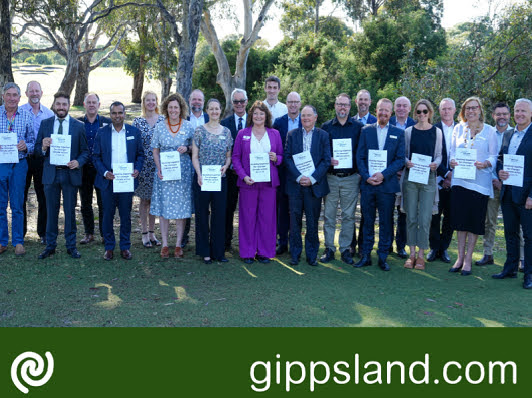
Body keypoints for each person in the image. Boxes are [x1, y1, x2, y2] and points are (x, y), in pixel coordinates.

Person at [448, 97, 498, 276]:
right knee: (461, 223)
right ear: (463, 111)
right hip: (460, 181)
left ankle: (469, 258)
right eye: (468, 108)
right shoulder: (458, 128)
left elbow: (494, 156)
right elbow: (452, 152)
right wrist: (452, 161)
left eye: (474, 108)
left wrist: (485, 163)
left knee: (474, 223)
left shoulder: (490, 131)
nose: (471, 111)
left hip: (480, 184)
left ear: (480, 110)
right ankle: (459, 258)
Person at [36, 92, 89, 259]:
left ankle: (71, 245)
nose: (61, 107)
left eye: (64, 104)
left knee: (69, 212)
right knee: (51, 211)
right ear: (54, 105)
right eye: (58, 104)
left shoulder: (78, 126)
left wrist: (78, 162)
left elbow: (85, 151)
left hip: (69, 174)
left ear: (69, 105)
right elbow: (37, 150)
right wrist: (43, 147)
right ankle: (50, 245)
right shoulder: (45, 124)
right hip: (51, 174)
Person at [355, 98, 405, 271]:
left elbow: (399, 160)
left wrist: (383, 175)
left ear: (391, 113)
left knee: (386, 222)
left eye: (386, 110)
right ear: (376, 110)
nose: (383, 113)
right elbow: (359, 157)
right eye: (380, 110)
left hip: (387, 185)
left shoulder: (398, 133)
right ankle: (366, 255)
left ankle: (383, 256)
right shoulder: (365, 131)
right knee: (367, 221)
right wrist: (366, 176)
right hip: (368, 185)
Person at [232, 101, 283, 264]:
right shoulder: (243, 134)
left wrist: (276, 158)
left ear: (266, 116)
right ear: (251, 116)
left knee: (267, 218)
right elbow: (235, 157)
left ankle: (264, 252)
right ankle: (247, 252)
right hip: (249, 183)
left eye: (262, 113)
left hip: (268, 184)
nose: (258, 116)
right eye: (255, 113)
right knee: (247, 218)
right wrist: (243, 176)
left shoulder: (274, 133)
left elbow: (281, 156)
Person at [93, 101, 144, 261]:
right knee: (107, 215)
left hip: (126, 181)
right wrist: (105, 172)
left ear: (124, 114)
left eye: (120, 113)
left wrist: (137, 169)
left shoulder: (134, 132)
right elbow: (95, 156)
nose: (117, 116)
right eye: (114, 113)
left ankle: (125, 246)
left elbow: (140, 155)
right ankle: (109, 247)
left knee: (125, 215)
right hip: (108, 180)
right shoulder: (102, 133)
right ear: (110, 115)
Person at [319, 93, 363, 265]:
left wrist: (359, 173)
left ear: (350, 107)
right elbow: (322, 151)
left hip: (351, 178)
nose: (342, 107)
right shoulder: (326, 127)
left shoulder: (358, 127)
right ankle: (329, 248)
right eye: (339, 104)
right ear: (335, 106)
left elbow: (361, 152)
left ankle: (345, 249)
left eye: (345, 105)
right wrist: (327, 160)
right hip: (331, 176)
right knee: (329, 215)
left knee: (348, 215)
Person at [284, 105, 330, 266]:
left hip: (314, 186)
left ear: (315, 117)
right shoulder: (292, 134)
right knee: (294, 222)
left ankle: (311, 255)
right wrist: (298, 177)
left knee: (312, 222)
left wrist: (312, 178)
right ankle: (295, 254)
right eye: (303, 116)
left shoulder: (323, 135)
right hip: (296, 186)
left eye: (309, 115)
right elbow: (287, 158)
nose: (306, 118)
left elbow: (326, 161)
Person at [493, 98, 532, 289]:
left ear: (531, 113)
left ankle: (529, 275)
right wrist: (499, 171)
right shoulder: (508, 134)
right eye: (517, 111)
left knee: (530, 236)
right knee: (510, 233)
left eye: (523, 111)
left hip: (527, 196)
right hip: (508, 192)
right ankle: (510, 268)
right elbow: (501, 158)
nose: (520, 114)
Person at [151, 93, 194, 259]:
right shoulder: (160, 126)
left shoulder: (188, 126)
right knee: (164, 209)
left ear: (181, 108)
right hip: (165, 172)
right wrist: (159, 168)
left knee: (181, 209)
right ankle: (164, 244)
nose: (173, 110)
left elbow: (194, 148)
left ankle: (178, 245)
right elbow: (155, 149)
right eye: (170, 107)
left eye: (176, 107)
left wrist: (187, 149)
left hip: (183, 173)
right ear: (166, 109)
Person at [401, 99, 442, 270]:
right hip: (411, 178)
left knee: (425, 218)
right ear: (415, 114)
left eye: (425, 111)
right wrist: (407, 162)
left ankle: (421, 255)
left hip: (429, 179)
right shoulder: (409, 132)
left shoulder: (437, 132)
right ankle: (411, 254)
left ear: (430, 113)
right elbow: (402, 154)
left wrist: (436, 164)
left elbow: (439, 155)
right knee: (411, 216)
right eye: (419, 112)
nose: (422, 115)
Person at [192, 99, 233, 264]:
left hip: (220, 179)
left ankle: (218, 251)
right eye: (211, 109)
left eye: (217, 109)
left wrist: (226, 166)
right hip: (202, 179)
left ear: (220, 111)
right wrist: (199, 174)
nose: (214, 111)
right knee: (202, 215)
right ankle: (205, 251)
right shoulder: (199, 131)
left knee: (219, 215)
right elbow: (194, 156)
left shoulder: (227, 132)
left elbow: (229, 156)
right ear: (207, 110)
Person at [475, 102, 512, 266]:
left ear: (509, 115)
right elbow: (485, 156)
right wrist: (494, 179)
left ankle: (520, 259)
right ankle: (488, 254)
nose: (502, 117)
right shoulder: (488, 132)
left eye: (505, 113)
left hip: (511, 186)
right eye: (499, 114)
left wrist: (505, 181)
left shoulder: (516, 134)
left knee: (514, 224)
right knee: (489, 221)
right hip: (490, 183)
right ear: (493, 115)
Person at [0, 82, 34, 256]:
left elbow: (33, 142)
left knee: (17, 205)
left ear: (20, 98)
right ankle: (1, 241)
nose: (12, 98)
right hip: (0, 165)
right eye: (9, 95)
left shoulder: (26, 116)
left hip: (19, 164)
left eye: (15, 95)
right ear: (3, 96)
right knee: (0, 206)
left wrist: (25, 146)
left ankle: (18, 241)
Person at [20, 81, 54, 244]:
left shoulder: (48, 114)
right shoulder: (19, 112)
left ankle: (43, 233)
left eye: (37, 91)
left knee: (43, 197)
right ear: (26, 94)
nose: (34, 94)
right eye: (31, 91)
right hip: (23, 158)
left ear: (42, 93)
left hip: (42, 160)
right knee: (21, 196)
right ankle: (21, 232)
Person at [77, 92, 111, 245]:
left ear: (99, 104)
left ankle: (104, 234)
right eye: (88, 102)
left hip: (101, 169)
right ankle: (89, 233)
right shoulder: (77, 123)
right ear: (84, 104)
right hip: (83, 169)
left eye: (94, 102)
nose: (91, 105)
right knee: (85, 203)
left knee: (103, 202)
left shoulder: (107, 122)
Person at [133, 91, 164, 248]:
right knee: (144, 201)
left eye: (153, 100)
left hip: (159, 167)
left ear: (157, 102)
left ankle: (152, 232)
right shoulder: (137, 122)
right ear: (144, 103)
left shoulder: (163, 120)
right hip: (143, 166)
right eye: (148, 100)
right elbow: (134, 146)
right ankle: (144, 233)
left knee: (154, 201)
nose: (151, 103)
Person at [272, 91, 302, 255]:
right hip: (283, 172)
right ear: (286, 104)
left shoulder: (305, 121)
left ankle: (295, 242)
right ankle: (282, 242)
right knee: (282, 209)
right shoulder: (279, 122)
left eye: (295, 102)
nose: (293, 105)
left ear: (300, 104)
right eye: (290, 102)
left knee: (297, 209)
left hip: (300, 171)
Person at [427, 98, 457, 263]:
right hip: (437, 180)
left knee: (450, 218)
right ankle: (434, 248)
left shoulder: (462, 129)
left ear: (454, 110)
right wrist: (445, 175)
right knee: (435, 217)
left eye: (449, 108)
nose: (446, 111)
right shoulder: (433, 129)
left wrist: (453, 176)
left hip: (457, 182)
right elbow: (432, 156)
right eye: (443, 109)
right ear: (439, 111)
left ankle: (444, 248)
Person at [221, 88, 248, 252]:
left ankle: (246, 243)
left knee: (247, 210)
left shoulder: (254, 122)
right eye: (236, 101)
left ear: (246, 102)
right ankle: (226, 242)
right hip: (230, 175)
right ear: (232, 103)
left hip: (249, 176)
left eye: (242, 101)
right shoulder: (225, 124)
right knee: (228, 209)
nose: (239, 104)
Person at [388, 96, 415, 259]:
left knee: (404, 212)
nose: (401, 108)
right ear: (394, 108)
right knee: (387, 211)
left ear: (409, 108)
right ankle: (387, 243)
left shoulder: (415, 124)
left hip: (409, 175)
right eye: (398, 105)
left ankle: (401, 246)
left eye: (405, 106)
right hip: (390, 175)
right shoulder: (387, 122)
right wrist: (394, 169)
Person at [350, 89, 377, 257]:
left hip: (370, 175)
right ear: (356, 101)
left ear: (370, 102)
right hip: (353, 173)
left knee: (367, 213)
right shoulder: (350, 121)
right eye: (360, 99)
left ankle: (363, 246)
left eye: (366, 99)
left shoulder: (377, 121)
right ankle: (351, 245)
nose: (363, 102)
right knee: (350, 211)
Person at [182, 89, 209, 248]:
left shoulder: (209, 118)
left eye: (199, 99)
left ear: (203, 102)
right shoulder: (183, 119)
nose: (196, 102)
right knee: (187, 201)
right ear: (189, 101)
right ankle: (184, 237)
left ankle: (202, 236)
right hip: (187, 166)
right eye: (194, 100)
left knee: (203, 203)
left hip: (205, 168)